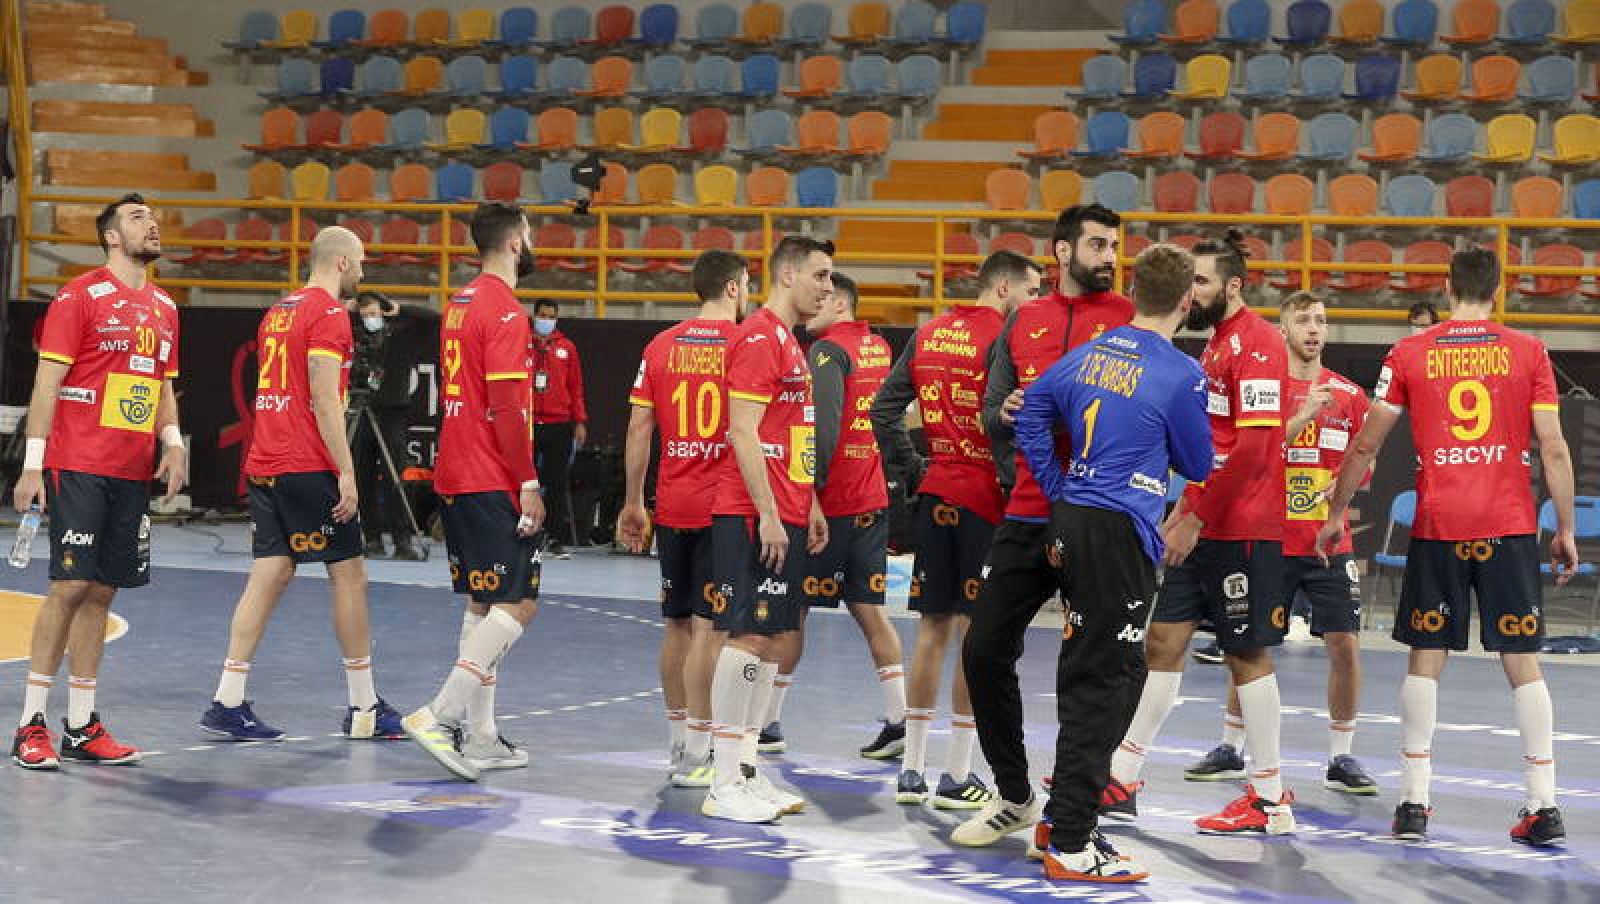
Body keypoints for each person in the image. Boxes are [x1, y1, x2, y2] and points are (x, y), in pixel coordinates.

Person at [1316, 249, 1578, 848]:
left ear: (1446, 286)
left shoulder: (1410, 352)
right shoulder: (1529, 351)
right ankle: (1545, 805)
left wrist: (1336, 514)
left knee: (1425, 658)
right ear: (1500, 289)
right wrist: (1562, 527)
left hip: (1439, 524)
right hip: (1509, 526)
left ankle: (1414, 801)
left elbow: (1365, 444)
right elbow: (1555, 447)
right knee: (1522, 662)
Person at [1015, 243, 1213, 882]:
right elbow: (1200, 463)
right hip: (1120, 529)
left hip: (1075, 519)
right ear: (1186, 301)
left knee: (1098, 669)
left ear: (1133, 290)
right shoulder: (1179, 372)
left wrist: (1059, 482)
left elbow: (1032, 412)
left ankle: (1063, 816)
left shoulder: (1091, 351)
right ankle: (1072, 840)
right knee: (1108, 678)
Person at [1103, 229, 1296, 837]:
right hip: (1204, 520)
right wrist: (1186, 509)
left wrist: (1194, 516)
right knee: (1162, 639)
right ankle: (1123, 776)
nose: (1192, 293)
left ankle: (1270, 800)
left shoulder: (1260, 342)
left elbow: (1258, 447)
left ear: (1233, 285)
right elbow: (1210, 447)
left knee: (1246, 653)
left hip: (1243, 526)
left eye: (1203, 282)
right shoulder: (1217, 346)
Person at [953, 204, 1133, 846]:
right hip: (1026, 513)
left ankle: (1075, 809)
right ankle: (1015, 794)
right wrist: (1005, 413)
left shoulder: (1128, 319)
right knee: (981, 652)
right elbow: (991, 414)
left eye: (1115, 245)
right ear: (1062, 252)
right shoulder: (1023, 320)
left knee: (1093, 669)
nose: (1111, 255)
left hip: (1097, 518)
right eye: (1098, 244)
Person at [199, 227, 403, 742]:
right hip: (305, 461)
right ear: (339, 263)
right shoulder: (329, 313)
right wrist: (346, 470)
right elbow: (323, 396)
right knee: (349, 574)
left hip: (267, 458)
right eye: (358, 262)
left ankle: (227, 698)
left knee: (269, 574)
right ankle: (363, 708)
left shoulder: (279, 310)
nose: (362, 271)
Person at [12, 193, 186, 769]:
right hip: (78, 462)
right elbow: (47, 384)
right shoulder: (79, 295)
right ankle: (29, 724)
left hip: (130, 469)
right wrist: (33, 463)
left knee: (103, 592)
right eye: (138, 217)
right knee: (68, 587)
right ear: (111, 236)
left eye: (153, 216)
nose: (152, 222)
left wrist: (173, 441)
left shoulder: (165, 305)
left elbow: (160, 383)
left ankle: (82, 727)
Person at [1185, 291, 1378, 794]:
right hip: (1269, 537)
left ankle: (1342, 757)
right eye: (1303, 320)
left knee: (1346, 646)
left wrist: (1346, 486)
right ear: (1283, 329)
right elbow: (1256, 451)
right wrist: (1303, 416)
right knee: (1247, 642)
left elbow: (1364, 462)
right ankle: (1230, 745)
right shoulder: (1265, 386)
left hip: (1325, 542)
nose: (1314, 329)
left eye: (1321, 320)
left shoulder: (1351, 396)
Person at [871, 250, 1043, 809]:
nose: (1036, 304)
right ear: (1002, 289)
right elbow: (1013, 421)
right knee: (977, 636)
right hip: (987, 500)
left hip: (938, 492)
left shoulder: (929, 333)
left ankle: (912, 772)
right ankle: (957, 775)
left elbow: (883, 411)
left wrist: (915, 468)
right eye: (1031, 291)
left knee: (930, 629)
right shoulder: (1009, 338)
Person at [401, 202, 546, 782]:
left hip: (455, 472)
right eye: (529, 234)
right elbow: (506, 407)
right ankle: (439, 715)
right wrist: (528, 481)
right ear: (515, 243)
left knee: (483, 602)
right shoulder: (506, 312)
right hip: (491, 475)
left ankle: (482, 737)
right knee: (518, 603)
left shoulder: (458, 304)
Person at [702, 236, 832, 823]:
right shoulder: (758, 337)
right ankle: (723, 780)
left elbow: (791, 434)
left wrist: (809, 505)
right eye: (821, 276)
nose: (828, 289)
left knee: (774, 641)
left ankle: (747, 771)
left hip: (787, 511)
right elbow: (742, 431)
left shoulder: (788, 342)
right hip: (754, 515)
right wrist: (771, 515)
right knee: (748, 638)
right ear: (787, 274)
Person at [617, 250, 749, 788]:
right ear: (736, 287)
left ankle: (677, 741)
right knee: (711, 629)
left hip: (673, 503)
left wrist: (633, 502)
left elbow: (638, 429)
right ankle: (699, 748)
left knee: (675, 625)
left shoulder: (661, 345)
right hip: (723, 506)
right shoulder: (744, 345)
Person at [768, 272, 907, 761]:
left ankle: (767, 722)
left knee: (792, 610)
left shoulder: (826, 353)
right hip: (872, 498)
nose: (812, 308)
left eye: (823, 299)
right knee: (871, 612)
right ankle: (899, 720)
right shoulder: (877, 347)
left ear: (841, 303)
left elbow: (821, 433)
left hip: (835, 504)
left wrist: (809, 496)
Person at [350, 290, 426, 561]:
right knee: (362, 476)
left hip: (392, 413)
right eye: (364, 314)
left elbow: (432, 319)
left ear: (383, 313)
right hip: (362, 410)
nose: (369, 319)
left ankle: (402, 540)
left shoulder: (401, 334)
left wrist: (397, 307)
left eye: (374, 313)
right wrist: (349, 307)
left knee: (395, 476)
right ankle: (371, 538)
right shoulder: (357, 335)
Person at [531, 299, 587, 558]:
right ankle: (525, 533)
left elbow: (575, 387)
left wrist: (579, 421)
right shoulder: (522, 345)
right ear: (534, 316)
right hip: (528, 423)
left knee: (555, 483)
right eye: (542, 315)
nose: (546, 320)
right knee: (524, 482)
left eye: (551, 316)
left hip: (559, 423)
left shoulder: (568, 348)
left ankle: (554, 538)